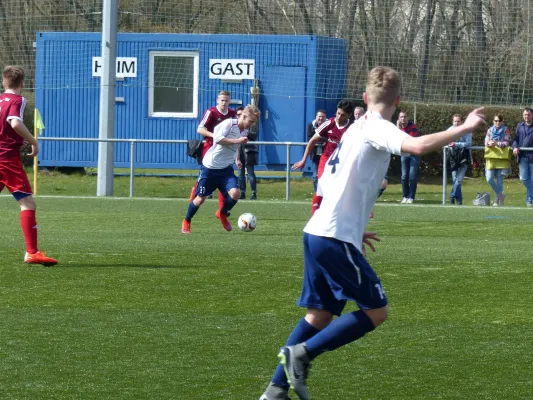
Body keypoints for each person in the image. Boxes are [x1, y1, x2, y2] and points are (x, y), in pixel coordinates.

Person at [258, 66, 485, 400]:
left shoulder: (353, 128)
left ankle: (275, 391)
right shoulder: (379, 128)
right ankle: (301, 354)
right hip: (334, 236)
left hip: (318, 232)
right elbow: (419, 146)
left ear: (365, 98)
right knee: (376, 312)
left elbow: (331, 181)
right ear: (398, 100)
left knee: (319, 315)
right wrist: (462, 127)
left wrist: (353, 227)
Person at [0, 66, 58, 266]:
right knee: (27, 204)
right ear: (23, 84)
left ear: (3, 82)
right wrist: (34, 141)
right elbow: (15, 123)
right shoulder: (18, 100)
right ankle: (32, 252)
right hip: (7, 160)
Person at [181, 105, 260, 234]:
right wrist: (237, 140)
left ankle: (222, 213)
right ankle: (186, 221)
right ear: (244, 116)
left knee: (236, 193)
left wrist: (237, 158)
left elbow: (237, 144)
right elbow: (217, 139)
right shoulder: (228, 124)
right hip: (210, 168)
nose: (251, 125)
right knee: (200, 199)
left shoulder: (244, 131)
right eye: (250, 121)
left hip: (226, 170)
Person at [293, 100, 354, 214]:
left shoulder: (353, 129)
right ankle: (315, 215)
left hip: (343, 163)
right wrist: (303, 160)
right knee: (323, 183)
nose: (339, 117)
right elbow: (312, 141)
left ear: (349, 115)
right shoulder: (329, 123)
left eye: (343, 115)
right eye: (338, 113)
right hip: (326, 159)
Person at [189, 91, 236, 210]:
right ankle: (195, 193)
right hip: (210, 149)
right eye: (222, 100)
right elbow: (200, 129)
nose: (224, 102)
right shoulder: (211, 112)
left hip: (224, 149)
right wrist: (215, 136)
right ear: (217, 100)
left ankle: (221, 210)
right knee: (205, 175)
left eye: (226, 100)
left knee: (224, 177)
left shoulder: (232, 113)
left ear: (229, 101)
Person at [484, 114, 511, 206]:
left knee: (500, 180)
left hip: (501, 157)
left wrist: (497, 143)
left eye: (499, 121)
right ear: (493, 121)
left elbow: (507, 142)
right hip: (491, 157)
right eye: (495, 121)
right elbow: (485, 141)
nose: (497, 122)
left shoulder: (505, 130)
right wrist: (489, 143)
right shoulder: (490, 130)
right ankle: (500, 196)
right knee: (489, 178)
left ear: (502, 121)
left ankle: (497, 201)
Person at [446, 114, 472, 205]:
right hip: (453, 157)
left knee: (459, 180)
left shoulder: (467, 130)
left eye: (458, 121)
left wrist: (456, 144)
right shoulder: (449, 130)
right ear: (452, 121)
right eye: (455, 121)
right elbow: (443, 141)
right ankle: (459, 201)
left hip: (463, 157)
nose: (456, 123)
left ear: (461, 121)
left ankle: (452, 195)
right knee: (455, 180)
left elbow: (468, 143)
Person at [397, 110, 420, 203]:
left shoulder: (413, 127)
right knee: (404, 176)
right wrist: (397, 128)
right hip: (404, 154)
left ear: (408, 118)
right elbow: (396, 139)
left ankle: (411, 197)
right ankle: (405, 196)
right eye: (401, 117)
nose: (403, 118)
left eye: (405, 116)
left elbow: (409, 140)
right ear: (399, 118)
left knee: (412, 176)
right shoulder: (398, 128)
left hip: (414, 154)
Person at [512, 108, 533, 206]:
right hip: (522, 156)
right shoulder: (519, 126)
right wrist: (515, 147)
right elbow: (515, 139)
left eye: (528, 114)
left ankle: (529, 201)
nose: (526, 116)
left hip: (532, 157)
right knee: (523, 179)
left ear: (532, 115)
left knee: (532, 180)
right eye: (525, 114)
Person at [237, 106, 259, 200]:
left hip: (249, 150)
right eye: (237, 114)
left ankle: (254, 193)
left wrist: (245, 134)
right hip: (240, 150)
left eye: (240, 114)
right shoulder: (235, 125)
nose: (239, 116)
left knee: (250, 173)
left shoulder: (252, 125)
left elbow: (253, 135)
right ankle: (242, 192)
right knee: (240, 173)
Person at [306, 110, 327, 193]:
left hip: (326, 154)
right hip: (315, 154)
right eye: (319, 116)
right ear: (316, 117)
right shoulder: (311, 125)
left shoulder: (329, 125)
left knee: (326, 176)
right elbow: (310, 139)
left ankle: (325, 195)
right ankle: (317, 194)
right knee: (315, 176)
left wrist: (318, 139)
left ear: (325, 118)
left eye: (322, 117)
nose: (320, 118)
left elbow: (328, 138)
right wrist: (319, 140)